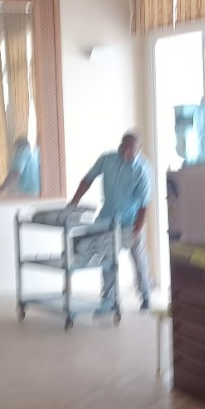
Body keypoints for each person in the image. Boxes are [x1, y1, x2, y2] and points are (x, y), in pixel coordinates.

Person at [68, 132, 153, 314]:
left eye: (131, 150)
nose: (126, 153)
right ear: (120, 145)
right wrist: (74, 202)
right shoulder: (108, 160)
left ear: (138, 149)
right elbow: (88, 179)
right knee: (107, 258)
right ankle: (109, 299)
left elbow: (144, 205)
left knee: (138, 258)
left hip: (130, 222)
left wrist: (137, 230)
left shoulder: (142, 170)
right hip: (107, 219)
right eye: (124, 148)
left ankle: (145, 295)